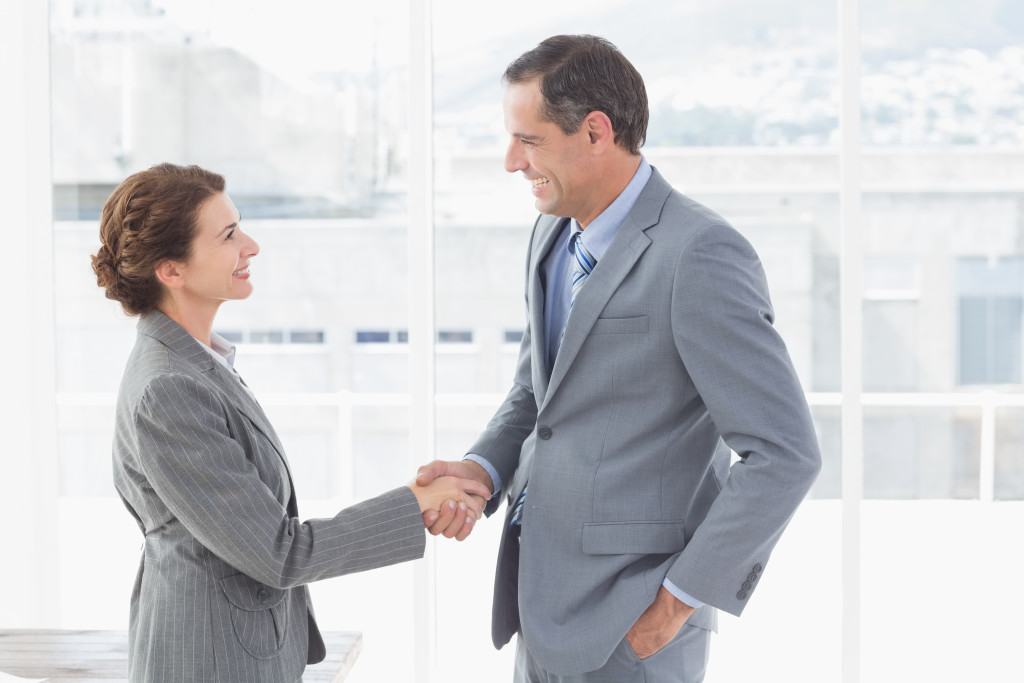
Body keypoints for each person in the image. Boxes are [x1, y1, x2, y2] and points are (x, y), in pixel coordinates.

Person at [416, 34, 822, 682]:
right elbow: (537, 391)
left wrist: (678, 601)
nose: (510, 161)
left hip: (634, 628)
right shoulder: (551, 231)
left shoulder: (700, 254)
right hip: (540, 610)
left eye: (529, 139)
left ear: (597, 131)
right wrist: (483, 468)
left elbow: (786, 453)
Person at [92, 162, 489, 683]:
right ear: (172, 270)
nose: (250, 246)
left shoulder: (198, 363)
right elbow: (278, 552)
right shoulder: (170, 389)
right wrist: (413, 505)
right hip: (207, 660)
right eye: (229, 235)